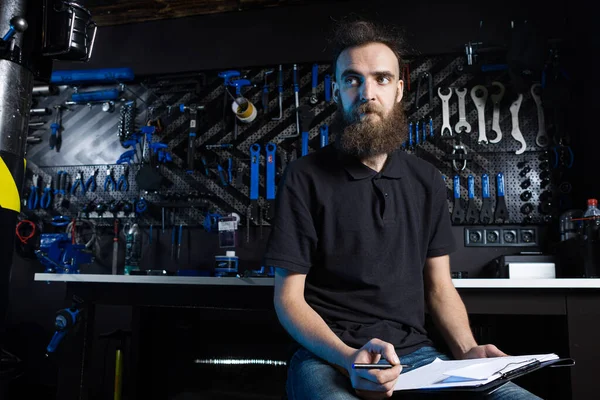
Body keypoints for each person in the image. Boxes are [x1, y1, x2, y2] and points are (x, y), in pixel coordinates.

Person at [263, 18, 543, 400]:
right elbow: (288, 299)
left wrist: (467, 351)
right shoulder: (303, 177)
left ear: (398, 90)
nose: (366, 92)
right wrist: (349, 359)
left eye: (380, 79)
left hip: (421, 357)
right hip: (327, 359)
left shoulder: (426, 179)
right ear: (337, 91)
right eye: (352, 80)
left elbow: (439, 287)